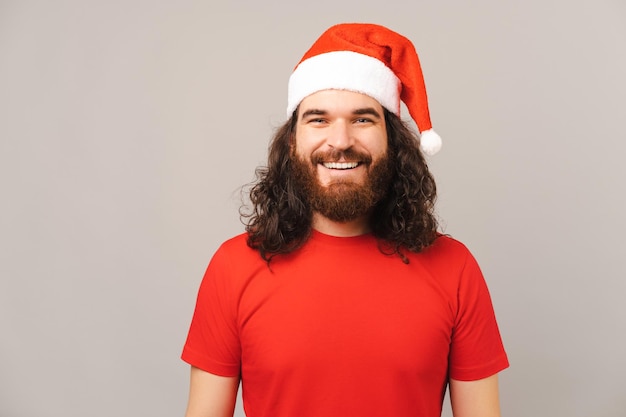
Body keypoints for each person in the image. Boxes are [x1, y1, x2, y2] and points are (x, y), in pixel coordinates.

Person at [182, 23, 509, 417]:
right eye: (318, 119)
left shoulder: (455, 268)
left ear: (393, 139)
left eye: (363, 119)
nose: (340, 141)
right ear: (292, 140)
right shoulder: (232, 268)